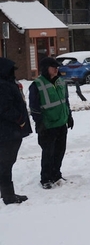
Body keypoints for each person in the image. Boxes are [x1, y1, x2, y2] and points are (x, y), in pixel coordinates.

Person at [29, 56, 74, 189]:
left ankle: (56, 174)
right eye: (53, 67)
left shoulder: (60, 81)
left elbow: (65, 101)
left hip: (61, 122)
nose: (56, 69)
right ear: (45, 69)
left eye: (57, 67)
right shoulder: (37, 85)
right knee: (48, 152)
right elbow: (34, 106)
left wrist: (69, 116)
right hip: (48, 125)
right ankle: (46, 178)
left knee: (60, 151)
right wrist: (39, 122)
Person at [0, 57, 32, 205]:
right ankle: (8, 196)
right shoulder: (3, 85)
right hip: (8, 132)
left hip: (9, 131)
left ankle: (7, 193)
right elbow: (5, 108)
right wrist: (20, 120)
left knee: (6, 163)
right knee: (6, 163)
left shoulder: (7, 83)